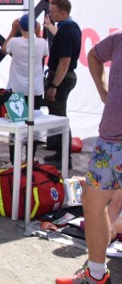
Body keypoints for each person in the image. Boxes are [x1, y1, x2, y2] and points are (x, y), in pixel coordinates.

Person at [56, 31, 122, 284]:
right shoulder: (118, 40)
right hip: (108, 140)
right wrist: (104, 89)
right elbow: (94, 54)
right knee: (92, 201)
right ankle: (96, 275)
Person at [2, 13, 49, 162]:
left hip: (16, 89)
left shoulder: (14, 42)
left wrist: (11, 30)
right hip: (35, 90)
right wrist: (38, 33)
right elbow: (44, 54)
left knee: (15, 126)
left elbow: (4, 49)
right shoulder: (42, 42)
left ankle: (14, 159)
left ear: (19, 27)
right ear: (35, 27)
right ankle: (30, 159)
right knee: (32, 127)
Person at [43, 0, 81, 169]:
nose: (51, 15)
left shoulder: (66, 32)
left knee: (59, 119)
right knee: (58, 116)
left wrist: (54, 86)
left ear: (63, 12)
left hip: (62, 78)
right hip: (67, 77)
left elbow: (64, 62)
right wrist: (50, 26)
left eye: (53, 12)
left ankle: (65, 158)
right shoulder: (71, 27)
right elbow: (61, 38)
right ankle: (60, 154)